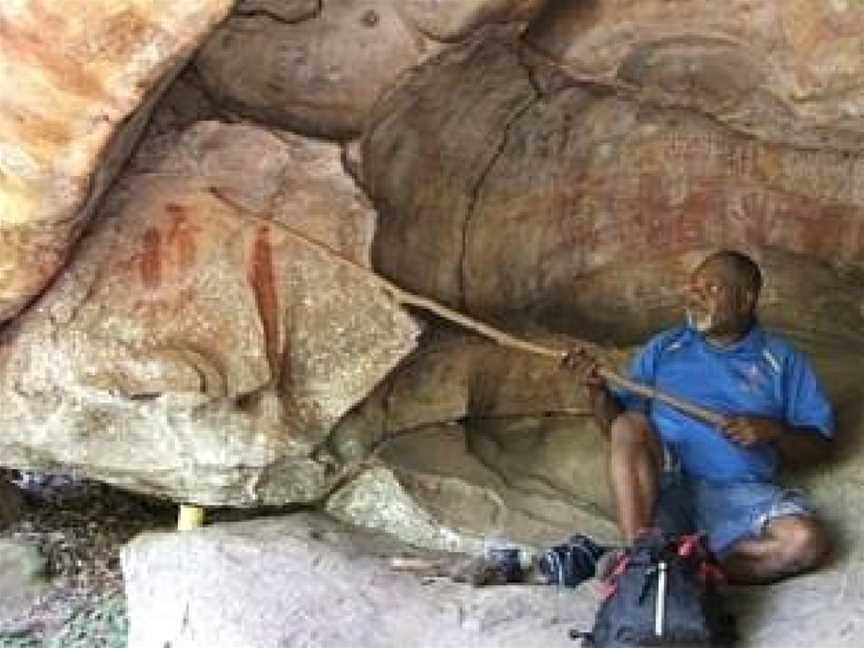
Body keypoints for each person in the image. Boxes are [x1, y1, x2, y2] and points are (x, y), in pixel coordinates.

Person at [563, 250, 834, 584]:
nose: (695, 296)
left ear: (746, 300)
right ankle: (641, 557)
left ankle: (690, 564)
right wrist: (598, 392)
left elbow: (820, 446)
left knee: (805, 542)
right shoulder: (665, 347)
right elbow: (618, 430)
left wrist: (774, 432)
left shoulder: (781, 361)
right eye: (693, 288)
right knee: (631, 423)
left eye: (711, 289)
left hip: (739, 493)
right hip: (665, 484)